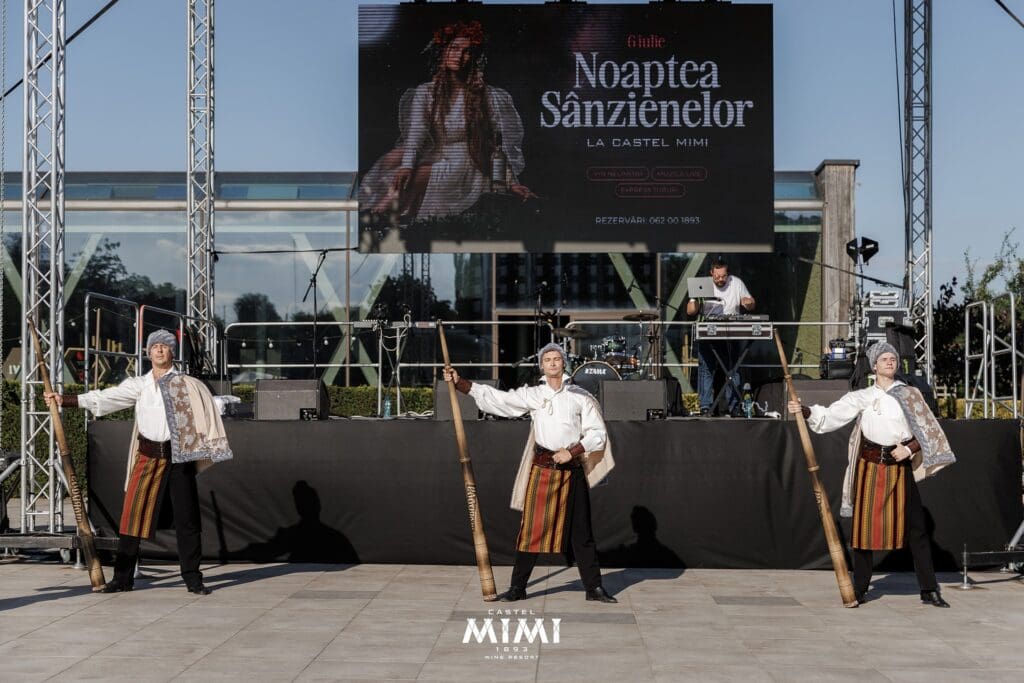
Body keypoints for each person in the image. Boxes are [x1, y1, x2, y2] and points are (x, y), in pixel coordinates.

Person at [44, 330, 232, 595]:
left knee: (187, 520)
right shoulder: (139, 385)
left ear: (172, 352)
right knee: (132, 518)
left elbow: (208, 410)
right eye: (155, 346)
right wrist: (66, 400)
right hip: (147, 456)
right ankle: (123, 579)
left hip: (179, 459)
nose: (159, 350)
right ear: (148, 352)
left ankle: (193, 578)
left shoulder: (188, 384)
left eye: (165, 346)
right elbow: (106, 398)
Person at [443, 342, 617, 603]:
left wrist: (573, 451)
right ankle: (518, 588)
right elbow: (500, 400)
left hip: (572, 471)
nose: (553, 363)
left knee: (582, 533)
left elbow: (598, 434)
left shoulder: (580, 396)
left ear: (564, 363)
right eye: (547, 359)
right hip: (543, 470)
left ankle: (594, 588)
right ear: (542, 366)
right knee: (531, 532)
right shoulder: (534, 394)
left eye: (557, 358)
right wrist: (461, 383)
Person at [787, 341, 955, 607]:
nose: (890, 362)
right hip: (869, 467)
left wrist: (909, 449)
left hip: (899, 467)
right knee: (863, 531)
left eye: (893, 358)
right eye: (884, 359)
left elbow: (929, 429)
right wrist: (805, 410)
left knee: (917, 529)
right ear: (874, 366)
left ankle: (929, 589)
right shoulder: (862, 396)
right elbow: (831, 416)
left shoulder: (910, 394)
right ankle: (860, 588)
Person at [360, 19, 534, 223]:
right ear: (443, 51)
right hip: (439, 152)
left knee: (413, 178)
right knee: (391, 160)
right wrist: (406, 165)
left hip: (468, 160)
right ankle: (371, 212)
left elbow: (495, 146)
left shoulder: (486, 95)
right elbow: (416, 135)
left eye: (467, 51)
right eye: (454, 48)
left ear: (473, 57)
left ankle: (377, 215)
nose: (459, 56)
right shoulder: (426, 92)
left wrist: (511, 183)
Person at [685, 257, 755, 416]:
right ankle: (705, 406)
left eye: (723, 276)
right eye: (717, 276)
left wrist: (748, 302)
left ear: (727, 274)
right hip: (707, 330)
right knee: (706, 368)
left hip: (731, 331)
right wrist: (695, 300)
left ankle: (734, 406)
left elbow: (751, 304)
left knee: (733, 369)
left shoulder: (736, 283)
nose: (720, 279)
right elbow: (690, 311)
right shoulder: (703, 284)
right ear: (711, 273)